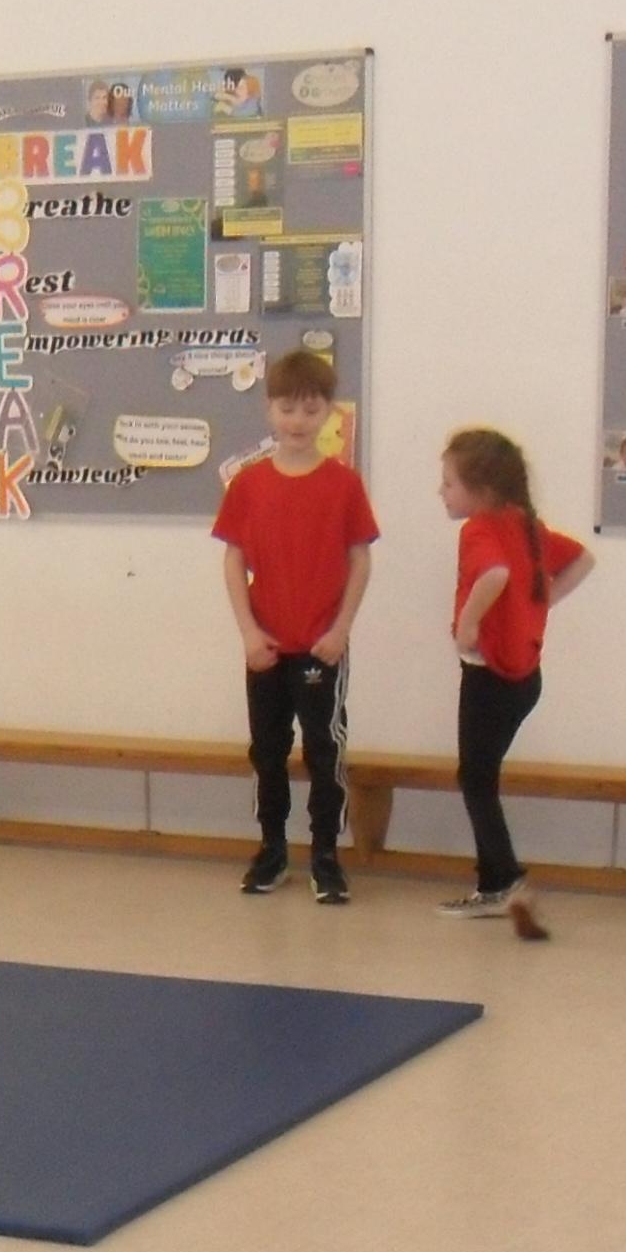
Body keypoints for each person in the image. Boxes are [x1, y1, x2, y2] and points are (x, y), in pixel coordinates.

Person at [211, 348, 379, 902]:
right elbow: (233, 560)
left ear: (329, 411)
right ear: (269, 409)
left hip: (322, 648)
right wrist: (248, 632)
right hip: (266, 647)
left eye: (310, 410)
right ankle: (272, 849)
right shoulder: (249, 484)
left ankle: (326, 854)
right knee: (267, 751)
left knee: (324, 753)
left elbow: (360, 560)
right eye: (287, 409)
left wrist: (340, 630)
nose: (298, 421)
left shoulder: (343, 484)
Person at [435, 428, 592, 937]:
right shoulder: (524, 526)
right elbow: (583, 560)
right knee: (479, 778)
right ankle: (495, 883)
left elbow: (495, 575)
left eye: (449, 484)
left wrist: (468, 623)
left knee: (476, 779)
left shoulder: (480, 529)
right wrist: (540, 602)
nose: (442, 492)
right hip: (524, 679)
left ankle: (504, 882)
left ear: (481, 491)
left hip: (490, 677)